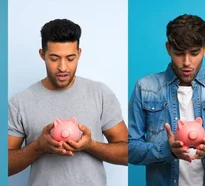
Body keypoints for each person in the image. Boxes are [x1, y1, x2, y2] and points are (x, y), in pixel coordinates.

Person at [7, 19, 128, 186]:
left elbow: (128, 154)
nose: (63, 67)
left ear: (79, 53)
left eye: (70, 58)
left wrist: (90, 145)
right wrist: (39, 146)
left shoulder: (100, 93)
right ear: (42, 55)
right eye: (54, 58)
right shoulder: (20, 101)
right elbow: (5, 166)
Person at [128, 14, 205, 186]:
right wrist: (166, 150)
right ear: (168, 48)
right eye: (179, 53)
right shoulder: (145, 88)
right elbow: (130, 149)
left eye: (194, 53)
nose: (186, 62)